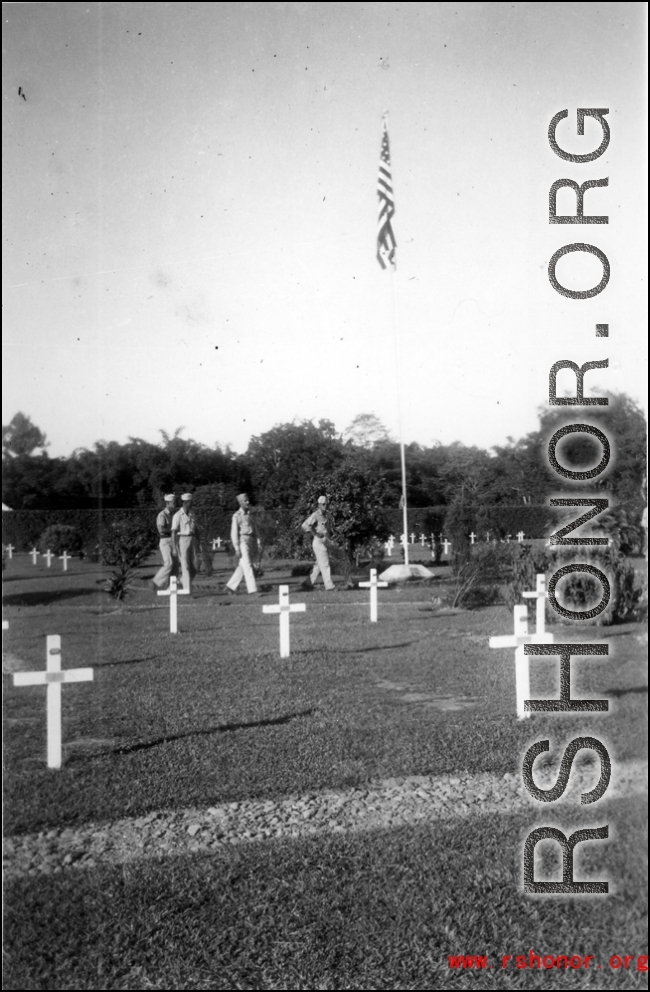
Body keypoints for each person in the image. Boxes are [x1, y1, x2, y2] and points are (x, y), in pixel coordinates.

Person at [225, 493, 261, 595]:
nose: (248, 502)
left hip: (251, 541)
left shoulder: (250, 515)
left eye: (248, 500)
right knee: (248, 565)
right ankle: (253, 590)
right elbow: (234, 533)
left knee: (243, 566)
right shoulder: (236, 516)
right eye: (245, 501)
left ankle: (230, 587)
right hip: (242, 542)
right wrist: (237, 548)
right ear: (240, 503)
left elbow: (255, 529)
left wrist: (258, 541)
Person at [301, 495, 336, 591]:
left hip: (324, 541)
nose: (326, 506)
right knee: (325, 564)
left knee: (318, 565)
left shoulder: (326, 515)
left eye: (327, 504)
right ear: (319, 505)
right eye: (323, 504)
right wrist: (315, 534)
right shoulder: (316, 515)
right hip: (318, 542)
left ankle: (307, 583)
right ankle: (329, 586)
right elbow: (304, 525)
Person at [171, 493, 201, 591]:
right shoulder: (177, 515)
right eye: (190, 502)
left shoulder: (192, 514)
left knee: (196, 566)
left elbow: (196, 529)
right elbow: (174, 532)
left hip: (192, 540)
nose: (192, 503)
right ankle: (186, 590)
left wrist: (199, 542)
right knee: (185, 565)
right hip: (183, 540)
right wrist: (174, 548)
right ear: (186, 502)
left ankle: (180, 583)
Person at [152, 493, 177, 590]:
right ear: (168, 503)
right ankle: (155, 582)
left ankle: (171, 587)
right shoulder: (162, 515)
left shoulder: (173, 515)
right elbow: (161, 530)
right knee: (169, 563)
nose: (175, 504)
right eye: (173, 502)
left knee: (175, 566)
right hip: (165, 541)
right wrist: (174, 530)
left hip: (173, 540)